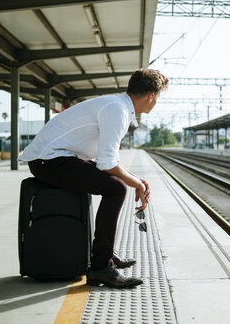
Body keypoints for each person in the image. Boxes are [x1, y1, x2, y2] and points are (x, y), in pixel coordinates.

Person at [19, 69, 169, 288]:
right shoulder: (117, 110)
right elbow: (107, 164)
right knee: (116, 189)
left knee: (117, 184)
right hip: (48, 161)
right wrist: (135, 183)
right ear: (151, 96)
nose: (156, 102)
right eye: (158, 97)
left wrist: (137, 179)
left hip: (58, 158)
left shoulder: (118, 107)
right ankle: (100, 267)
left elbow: (109, 158)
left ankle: (104, 254)